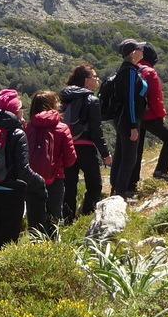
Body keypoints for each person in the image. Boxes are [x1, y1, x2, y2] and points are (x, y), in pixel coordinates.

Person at [0, 90, 44, 268]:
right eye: (21, 108)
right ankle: (1, 276)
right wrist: (39, 181)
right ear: (15, 111)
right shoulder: (17, 133)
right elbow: (23, 170)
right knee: (8, 238)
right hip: (12, 192)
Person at [60, 65, 111, 221]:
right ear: (86, 81)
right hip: (86, 148)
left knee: (69, 187)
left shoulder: (64, 98)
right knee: (95, 185)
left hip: (66, 147)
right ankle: (86, 216)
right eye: (94, 77)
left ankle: (67, 220)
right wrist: (105, 154)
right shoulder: (92, 100)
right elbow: (96, 131)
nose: (97, 80)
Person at [24, 90, 77, 238]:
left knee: (35, 221)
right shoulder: (62, 128)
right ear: (53, 106)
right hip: (56, 178)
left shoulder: (27, 128)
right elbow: (70, 159)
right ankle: (53, 251)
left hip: (32, 179)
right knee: (54, 217)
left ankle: (36, 251)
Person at [108, 39, 149, 198]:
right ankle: (121, 194)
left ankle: (115, 190)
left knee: (120, 155)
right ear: (133, 53)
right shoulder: (130, 73)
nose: (142, 51)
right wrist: (133, 125)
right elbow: (130, 100)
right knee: (130, 158)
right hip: (129, 120)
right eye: (140, 48)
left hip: (120, 120)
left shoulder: (124, 70)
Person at [135, 45, 168, 182]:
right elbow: (155, 98)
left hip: (135, 116)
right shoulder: (150, 72)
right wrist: (161, 115)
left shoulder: (133, 69)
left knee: (137, 149)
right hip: (150, 115)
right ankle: (161, 172)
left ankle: (132, 183)